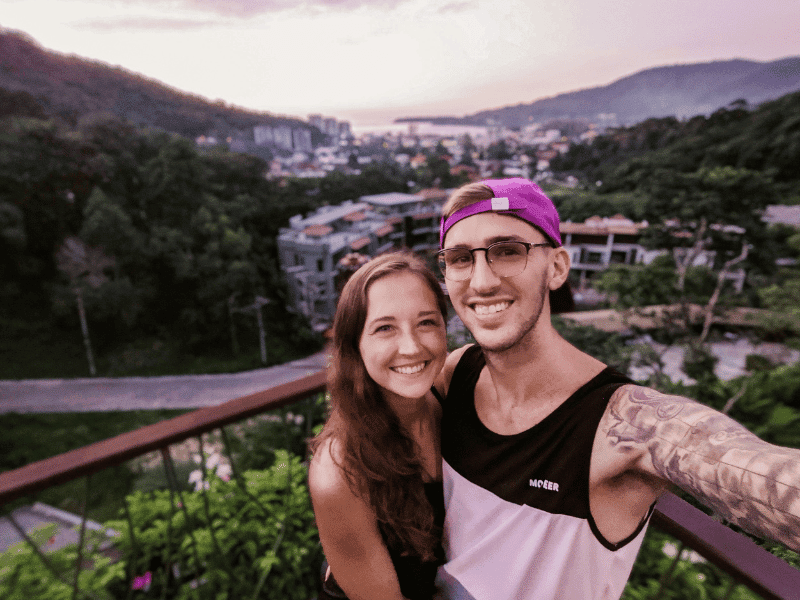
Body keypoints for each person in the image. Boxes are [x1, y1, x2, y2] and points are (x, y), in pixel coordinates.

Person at [432, 177, 800, 600]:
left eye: (509, 252)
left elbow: (747, 467)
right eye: (460, 259)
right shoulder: (455, 373)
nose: (481, 281)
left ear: (557, 267)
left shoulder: (624, 424)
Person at [309, 251, 448, 600]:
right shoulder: (340, 473)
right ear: (355, 345)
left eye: (426, 322)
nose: (411, 347)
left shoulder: (453, 398)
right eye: (385, 328)